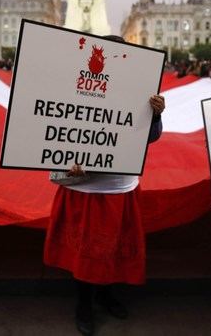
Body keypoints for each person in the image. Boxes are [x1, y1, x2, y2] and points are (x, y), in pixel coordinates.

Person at [43, 36, 165, 335]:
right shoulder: (73, 88)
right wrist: (65, 159)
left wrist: (156, 115)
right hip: (83, 187)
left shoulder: (140, 93)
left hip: (118, 186)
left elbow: (149, 137)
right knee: (85, 252)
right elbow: (53, 129)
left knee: (109, 249)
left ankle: (106, 295)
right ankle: (83, 303)